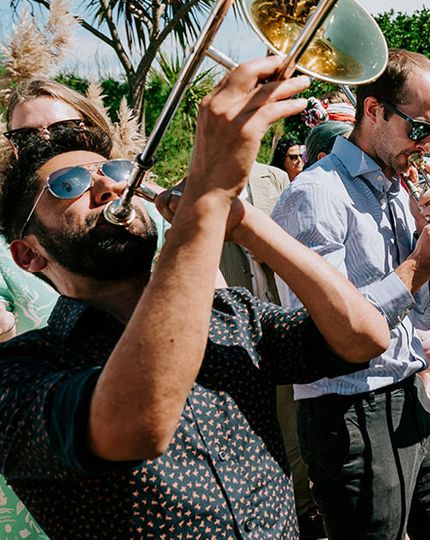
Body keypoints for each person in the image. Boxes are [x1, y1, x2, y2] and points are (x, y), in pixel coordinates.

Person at [0, 57, 392, 538]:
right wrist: (206, 199)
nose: (104, 185)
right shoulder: (20, 372)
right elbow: (138, 424)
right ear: (29, 255)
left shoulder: (230, 314)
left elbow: (365, 336)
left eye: (109, 169)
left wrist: (246, 222)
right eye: (68, 186)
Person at [272, 49, 430, 539]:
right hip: (348, 411)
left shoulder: (397, 188)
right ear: (373, 110)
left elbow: (424, 318)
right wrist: (418, 265)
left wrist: (429, 262)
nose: (427, 145)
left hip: (410, 393)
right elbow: (325, 331)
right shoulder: (315, 194)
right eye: (418, 129)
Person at [0, 77, 172, 540]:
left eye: (66, 130)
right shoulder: (18, 241)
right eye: (26, 139)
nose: (48, 144)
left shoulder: (141, 214)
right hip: (57, 425)